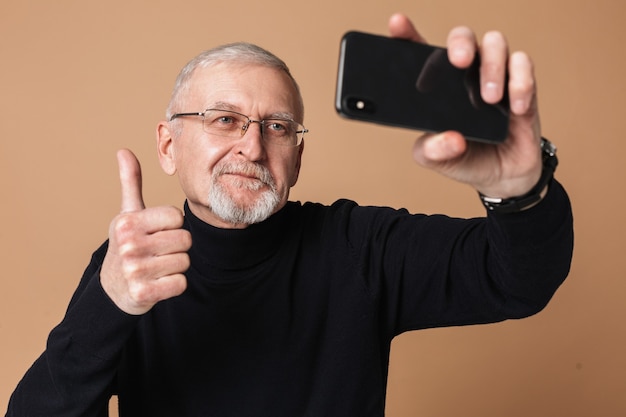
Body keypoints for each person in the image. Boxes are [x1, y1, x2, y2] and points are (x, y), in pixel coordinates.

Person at [6, 13, 573, 417]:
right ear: (167, 145)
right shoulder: (130, 268)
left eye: (276, 126)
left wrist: (519, 189)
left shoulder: (359, 248)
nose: (253, 148)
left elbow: (517, 279)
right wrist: (108, 305)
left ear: (297, 156)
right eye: (223, 119)